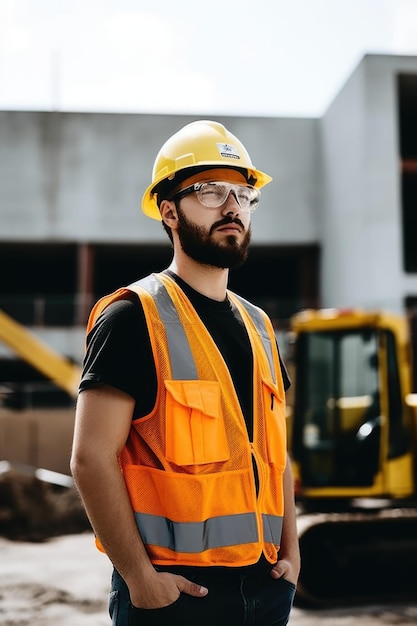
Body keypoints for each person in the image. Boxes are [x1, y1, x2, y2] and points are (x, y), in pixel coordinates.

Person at [71, 120, 300, 626]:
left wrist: (292, 552)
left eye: (242, 194)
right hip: (178, 596)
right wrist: (139, 579)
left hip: (266, 587)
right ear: (169, 211)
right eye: (211, 192)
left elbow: (273, 453)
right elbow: (90, 459)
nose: (232, 206)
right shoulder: (134, 316)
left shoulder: (260, 326)